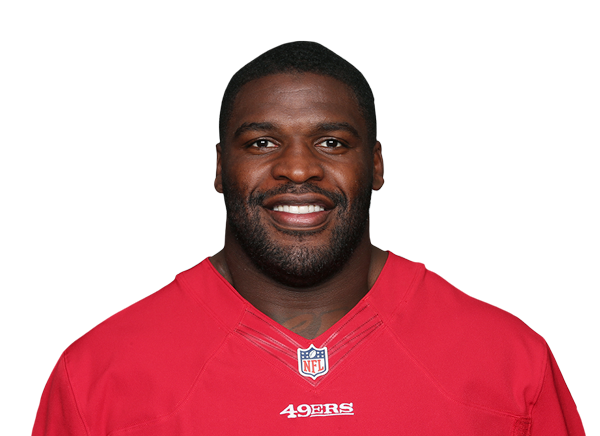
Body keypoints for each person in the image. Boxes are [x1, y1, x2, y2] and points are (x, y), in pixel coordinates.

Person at [32, 41, 585, 435]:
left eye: (332, 143)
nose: (298, 169)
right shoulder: (97, 375)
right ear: (221, 168)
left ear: (376, 164)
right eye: (261, 143)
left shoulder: (509, 362)